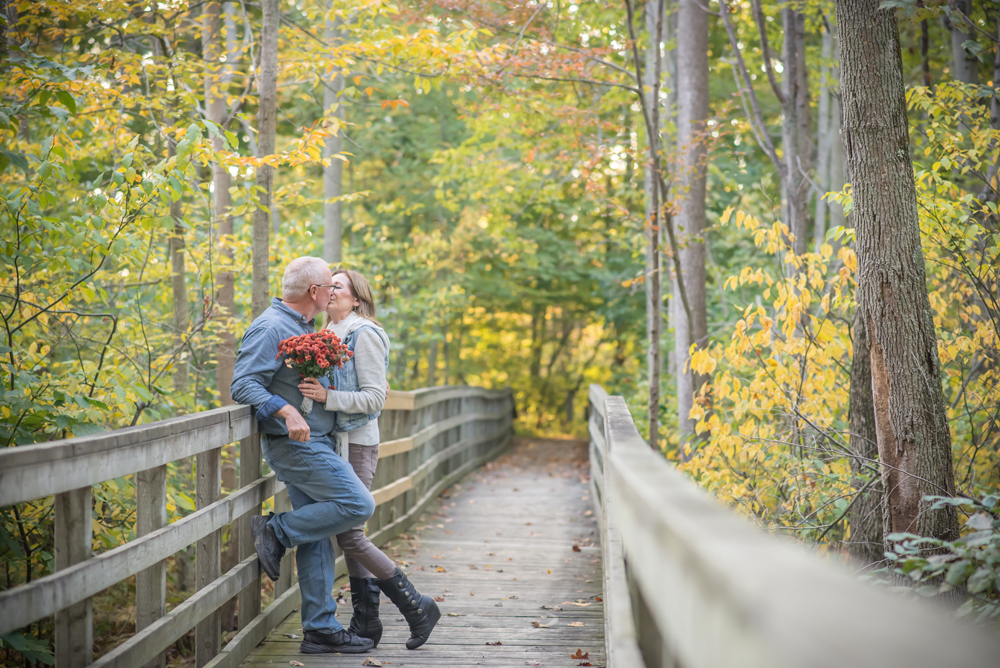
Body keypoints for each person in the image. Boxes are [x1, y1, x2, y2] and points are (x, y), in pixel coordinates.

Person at [231, 257, 375, 655]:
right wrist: (285, 409)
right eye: (330, 286)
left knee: (316, 537)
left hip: (318, 442)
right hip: (297, 446)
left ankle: (320, 628)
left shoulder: (304, 326)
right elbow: (243, 384)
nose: (333, 293)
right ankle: (276, 531)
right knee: (357, 503)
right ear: (315, 292)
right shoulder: (271, 326)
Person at [299, 269, 441, 650]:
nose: (330, 292)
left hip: (358, 442)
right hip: (333, 443)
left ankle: (416, 606)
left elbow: (375, 398)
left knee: (350, 533)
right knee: (348, 535)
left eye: (339, 287)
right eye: (328, 286)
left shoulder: (365, 334)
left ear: (356, 298)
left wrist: (328, 399)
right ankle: (368, 620)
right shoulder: (327, 334)